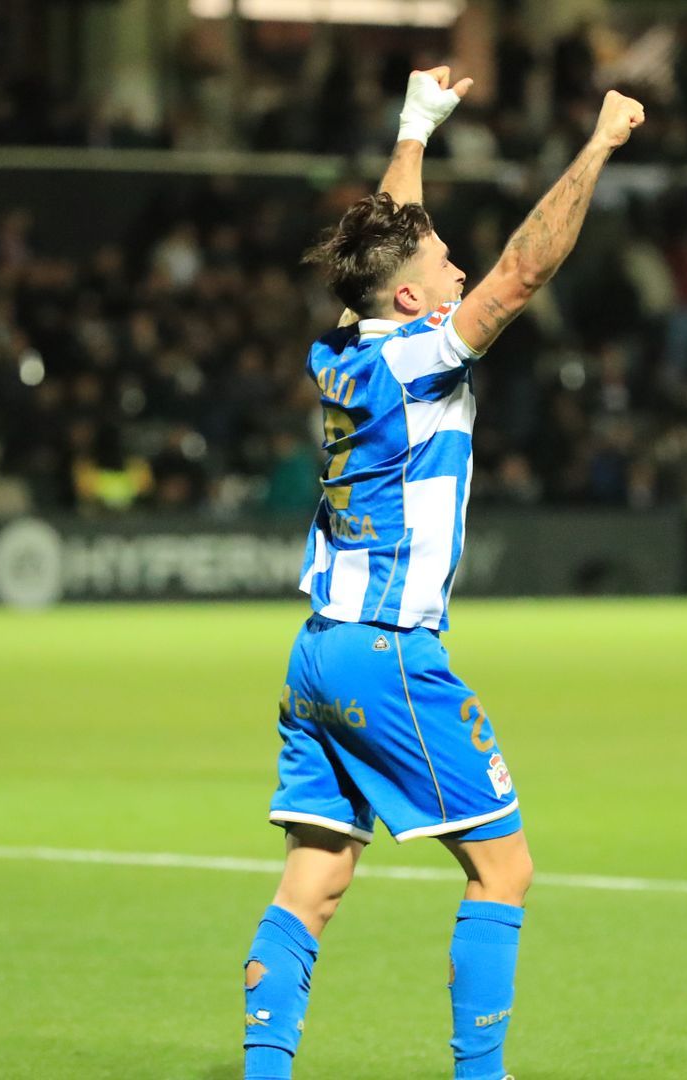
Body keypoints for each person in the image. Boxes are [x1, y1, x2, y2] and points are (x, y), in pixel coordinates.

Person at [239, 68, 644, 1080]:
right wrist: (597, 148)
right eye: (444, 263)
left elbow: (391, 241)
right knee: (504, 868)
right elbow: (523, 272)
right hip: (388, 652)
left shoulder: (345, 350)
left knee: (314, 883)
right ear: (414, 299)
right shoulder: (420, 358)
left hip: (317, 653)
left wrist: (416, 126)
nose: (461, 266)